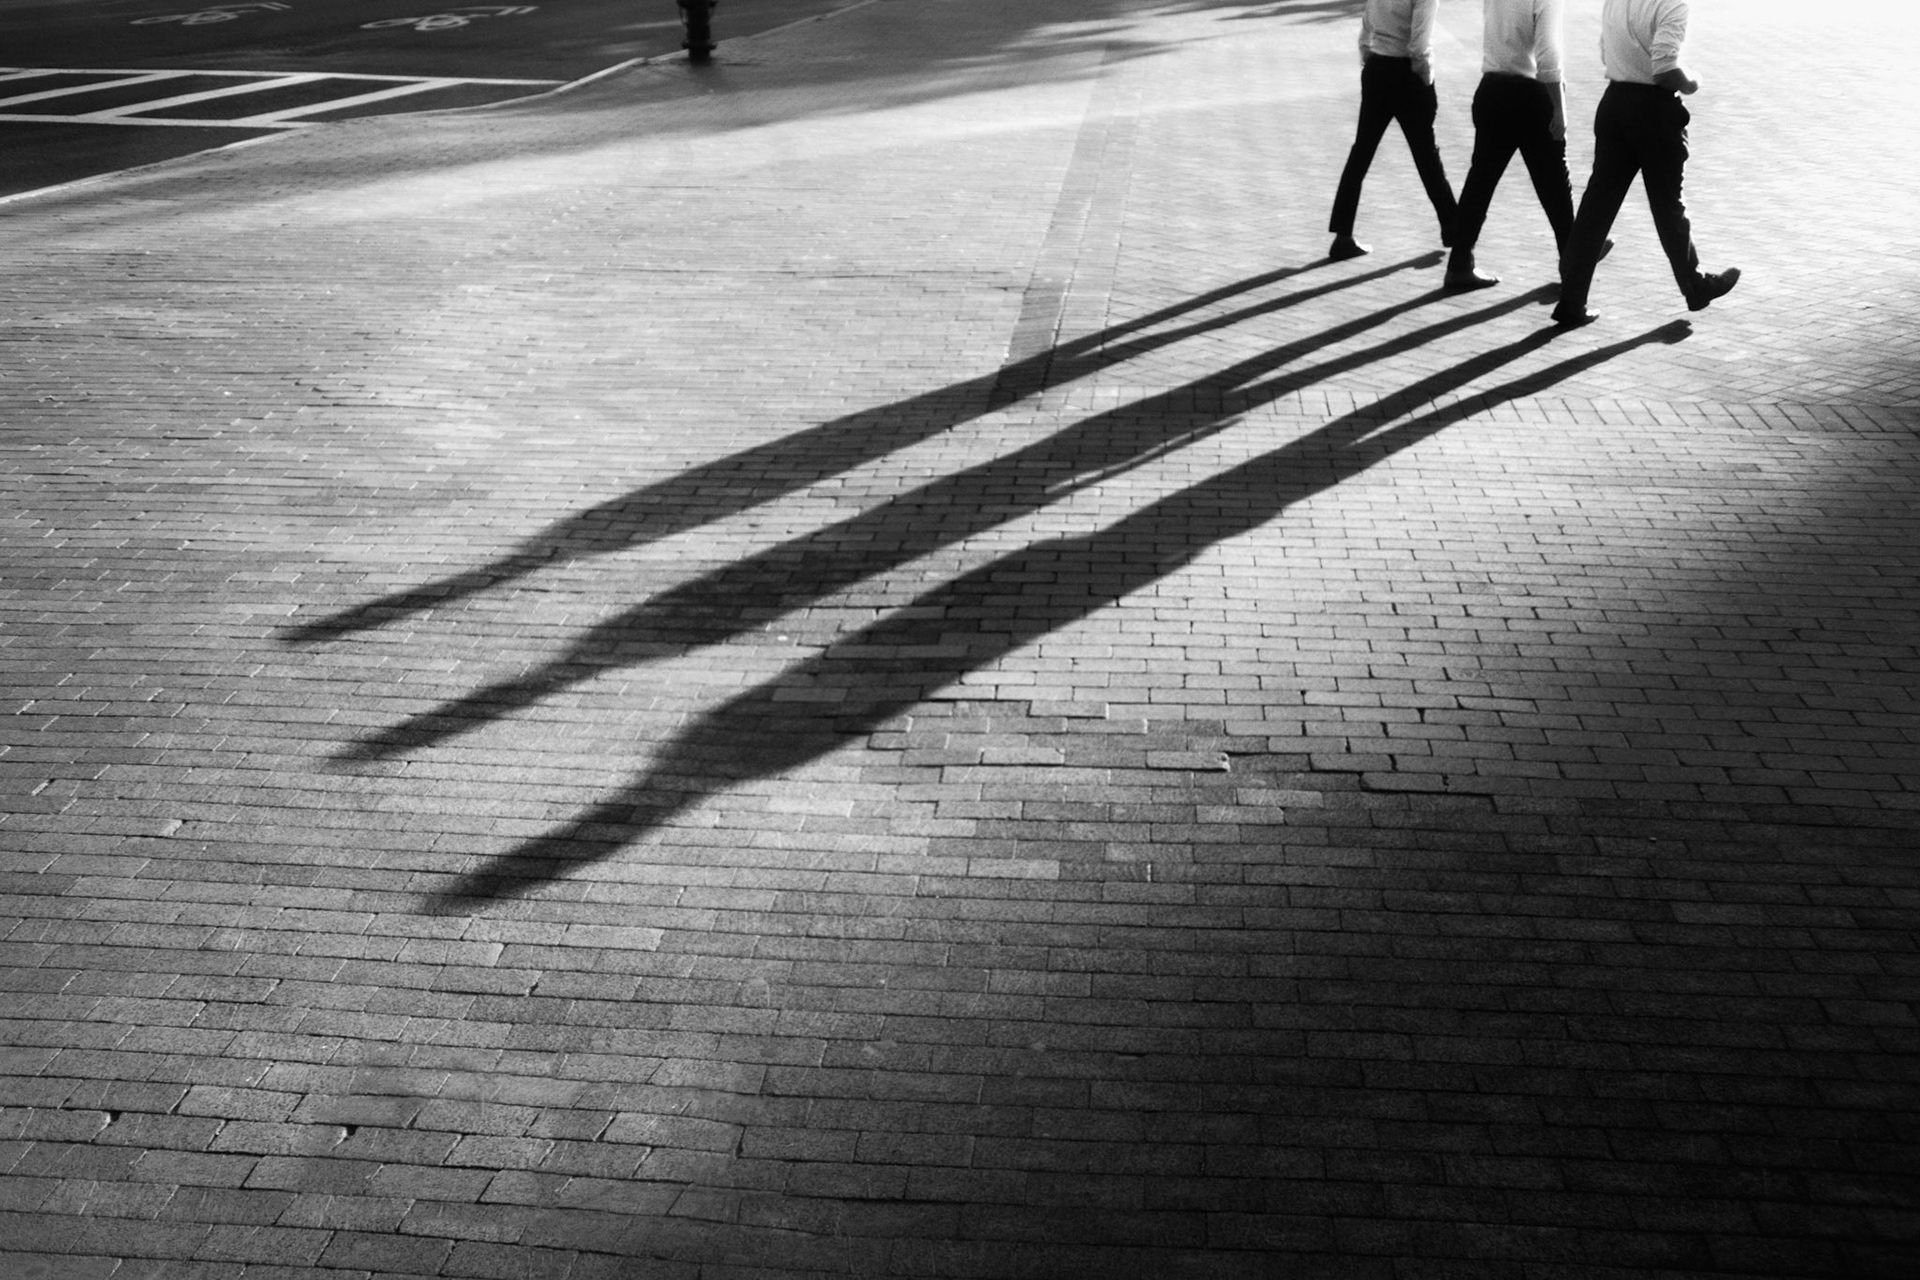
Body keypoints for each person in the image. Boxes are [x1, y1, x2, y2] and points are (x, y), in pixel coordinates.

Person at [1552, 0, 1738, 326]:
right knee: (1668, 206)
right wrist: (1692, 81)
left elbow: (1604, 51)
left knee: (1596, 208)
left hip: (1615, 103)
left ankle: (1571, 301)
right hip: (1655, 112)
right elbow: (1665, 69)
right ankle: (1694, 287)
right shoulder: (1672, 4)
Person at [1444, 0, 1584, 291]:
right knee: (1555, 185)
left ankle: (1459, 263)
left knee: (1480, 183)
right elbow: (1547, 53)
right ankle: (1574, 266)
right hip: (1530, 95)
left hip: (1492, 88)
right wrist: (1559, 107)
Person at [1327, 0, 1459, 261]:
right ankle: (1454, 230)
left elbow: (1366, 28)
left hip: (1378, 68)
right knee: (1427, 156)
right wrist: (1426, 82)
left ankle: (1342, 235)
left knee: (1361, 152)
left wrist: (1369, 56)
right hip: (1407, 73)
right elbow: (1419, 44)